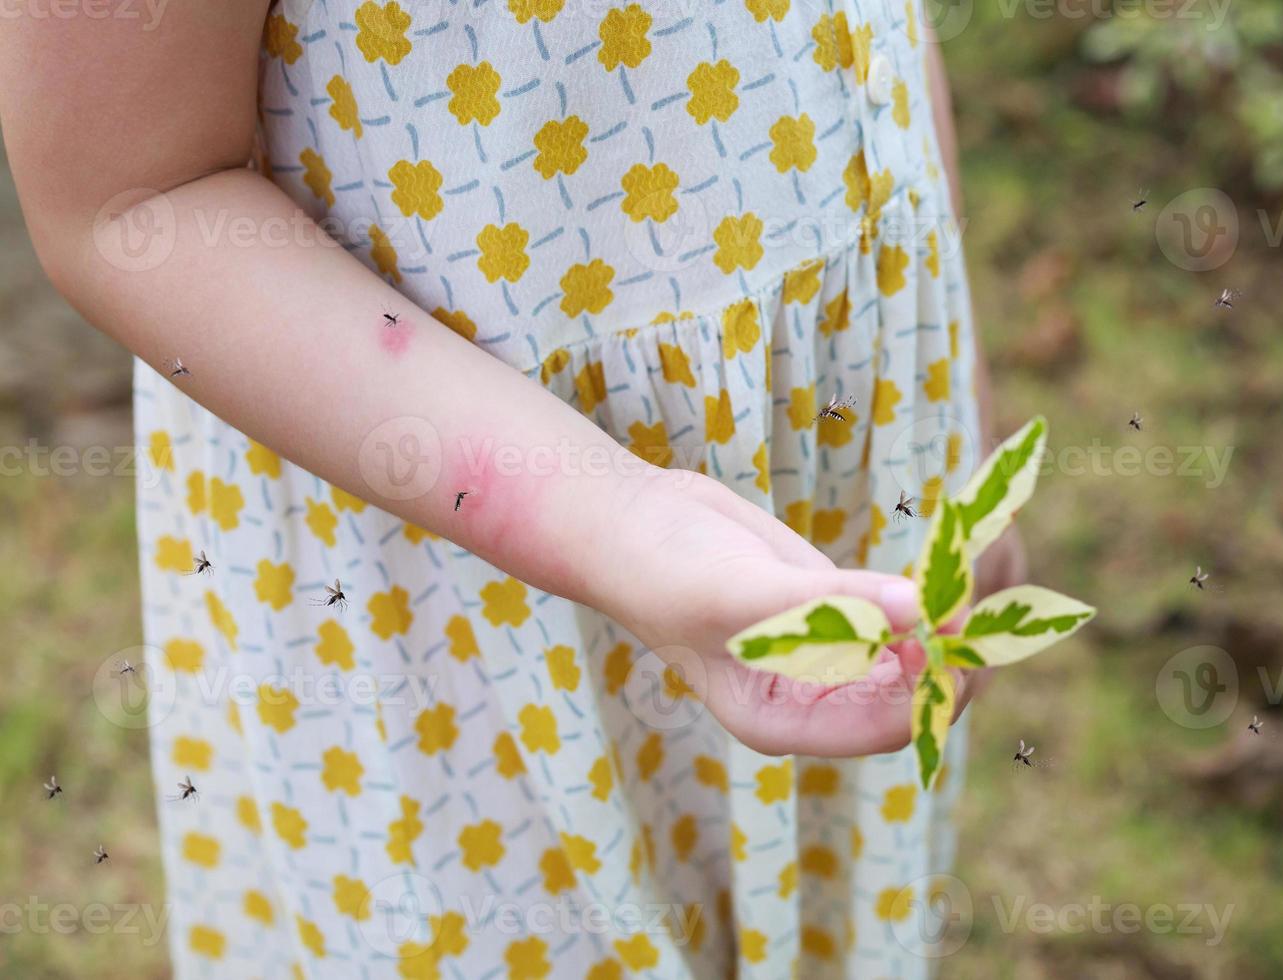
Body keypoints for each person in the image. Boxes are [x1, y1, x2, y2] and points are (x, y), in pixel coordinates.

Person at [0, 0, 1023, 975]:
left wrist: (958, 400)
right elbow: (130, 196)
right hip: (455, 572)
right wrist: (617, 518)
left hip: (837, 436)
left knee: (830, 897)